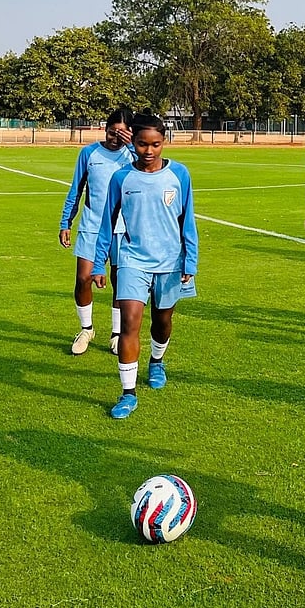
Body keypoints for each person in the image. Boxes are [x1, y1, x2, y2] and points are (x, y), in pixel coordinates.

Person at [91, 114, 198, 419]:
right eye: (142, 144)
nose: (148, 151)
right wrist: (99, 263)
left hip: (170, 261)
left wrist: (190, 259)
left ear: (164, 142)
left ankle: (157, 362)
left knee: (162, 322)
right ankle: (128, 393)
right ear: (133, 142)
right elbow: (106, 223)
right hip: (132, 261)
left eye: (155, 144)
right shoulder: (121, 178)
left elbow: (187, 220)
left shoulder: (179, 174)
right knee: (129, 324)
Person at [60, 108, 134, 356]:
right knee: (83, 278)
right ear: (105, 129)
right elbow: (76, 189)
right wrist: (66, 222)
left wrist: (132, 145)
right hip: (92, 226)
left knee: (119, 282)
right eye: (112, 132)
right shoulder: (89, 153)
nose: (115, 138)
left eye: (122, 134)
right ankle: (86, 329)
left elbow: (149, 170)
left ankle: (117, 333)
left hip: (124, 229)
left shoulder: (133, 154)